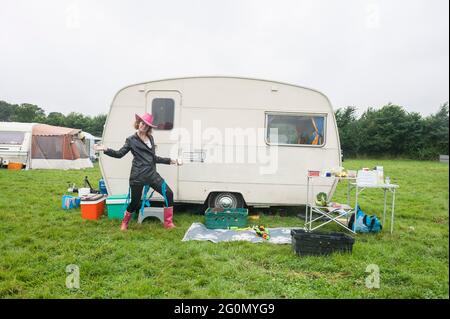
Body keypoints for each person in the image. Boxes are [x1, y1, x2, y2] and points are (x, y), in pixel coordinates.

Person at [94, 112, 181, 231]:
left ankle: (168, 223)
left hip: (152, 175)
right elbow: (119, 154)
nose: (143, 126)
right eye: (142, 123)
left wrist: (171, 160)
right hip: (138, 176)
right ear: (138, 123)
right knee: (135, 202)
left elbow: (153, 158)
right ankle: (124, 223)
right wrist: (106, 149)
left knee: (168, 194)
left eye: (146, 125)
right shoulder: (131, 140)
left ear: (149, 128)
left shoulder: (150, 138)